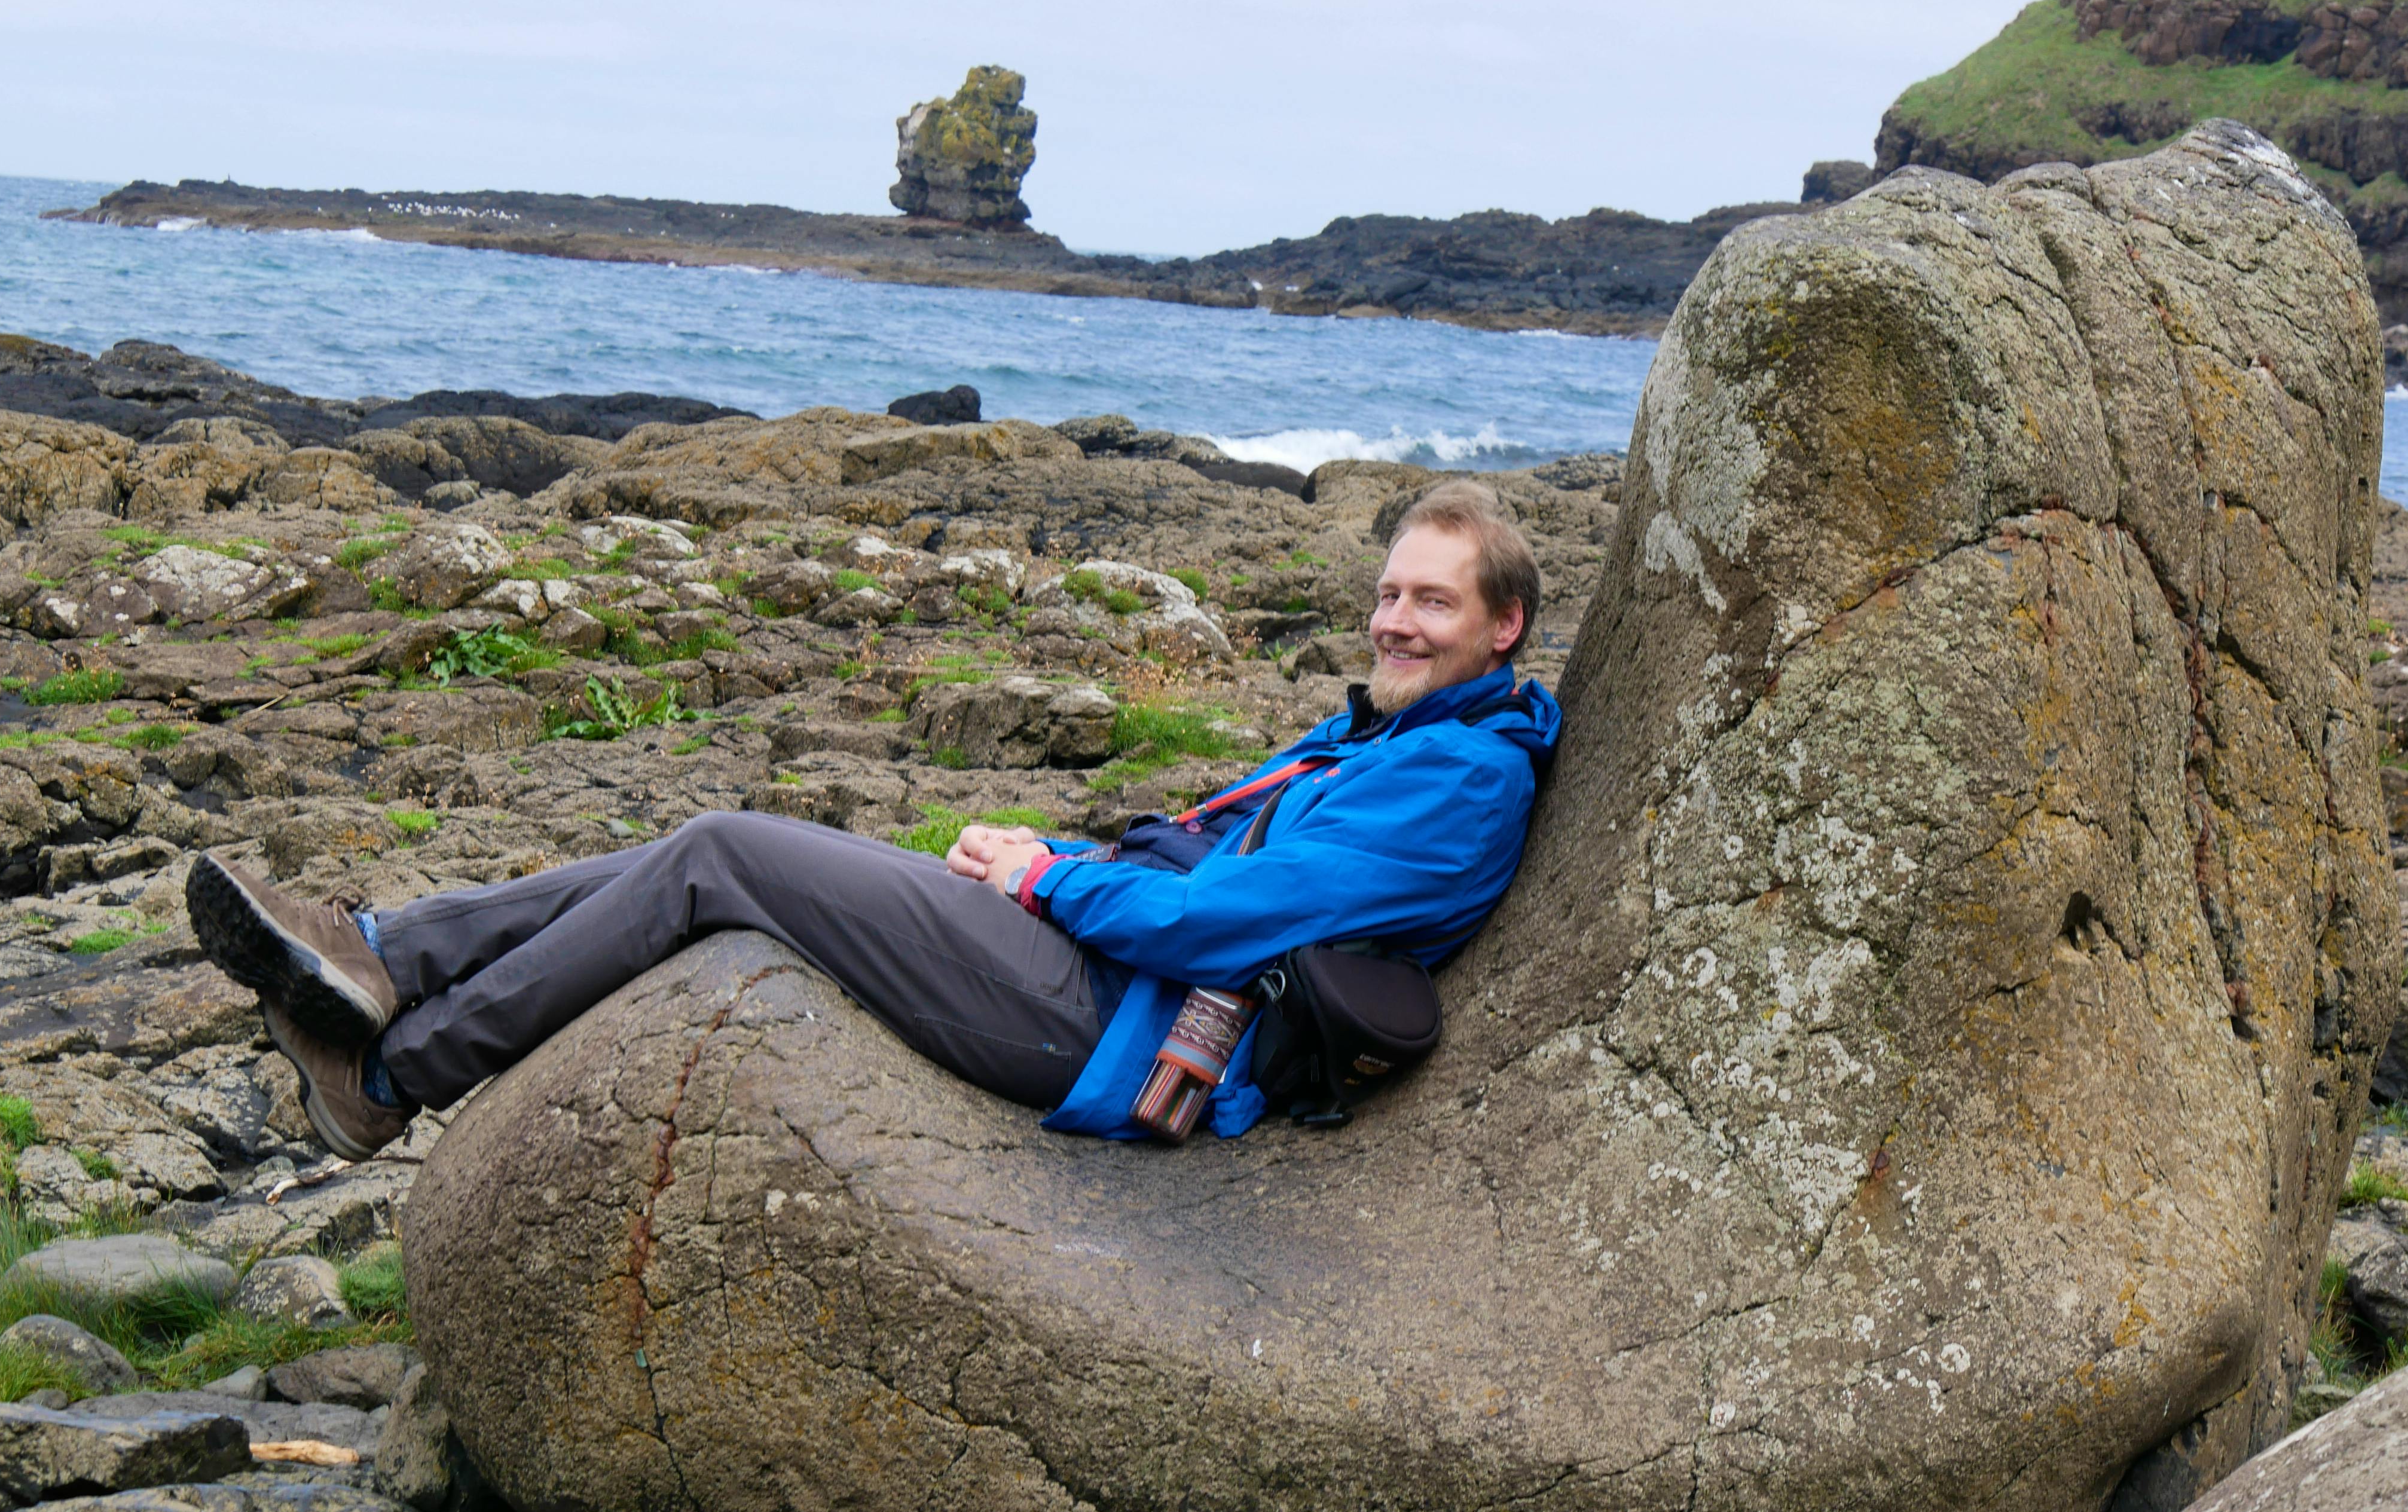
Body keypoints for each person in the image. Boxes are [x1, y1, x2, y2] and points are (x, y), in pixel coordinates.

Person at [187, 479, 1562, 1159]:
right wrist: (1065, 860)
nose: (1393, 619)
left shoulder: (1465, 777)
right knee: (706, 854)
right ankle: (383, 952)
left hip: (1114, 1029)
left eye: (1431, 603)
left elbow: (1229, 915)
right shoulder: (1395, 733)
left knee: (724, 852)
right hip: (1101, 972)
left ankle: (389, 1073)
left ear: (1503, 627)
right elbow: (1220, 857)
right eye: (1389, 593)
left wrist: (1041, 879)